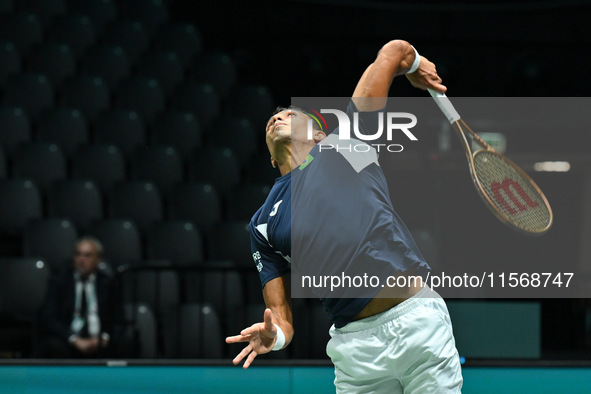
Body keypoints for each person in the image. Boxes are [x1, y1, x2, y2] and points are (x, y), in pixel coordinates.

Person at [226, 39, 463, 392]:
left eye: (292, 114)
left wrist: (411, 65)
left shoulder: (347, 149)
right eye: (273, 118)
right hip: (355, 349)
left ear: (320, 135)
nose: (279, 116)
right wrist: (273, 337)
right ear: (271, 159)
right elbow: (281, 316)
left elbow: (394, 50)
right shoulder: (262, 223)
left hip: (416, 323)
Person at [36, 236, 125, 358]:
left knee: (124, 343)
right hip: (69, 341)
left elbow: (118, 318)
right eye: (78, 255)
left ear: (98, 260)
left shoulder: (107, 283)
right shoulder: (59, 282)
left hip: (100, 342)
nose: (81, 260)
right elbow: (49, 318)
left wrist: (104, 338)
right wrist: (74, 340)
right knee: (52, 345)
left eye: (87, 255)